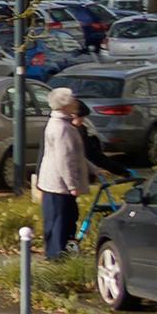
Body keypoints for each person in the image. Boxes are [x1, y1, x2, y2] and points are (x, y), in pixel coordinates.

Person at [33, 85, 96, 258]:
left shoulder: (60, 123)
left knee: (59, 218)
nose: (76, 103)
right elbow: (65, 159)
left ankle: (57, 253)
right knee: (61, 219)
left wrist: (94, 169)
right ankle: (57, 256)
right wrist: (72, 184)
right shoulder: (62, 128)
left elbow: (73, 155)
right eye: (73, 101)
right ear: (65, 105)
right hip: (59, 184)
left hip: (54, 183)